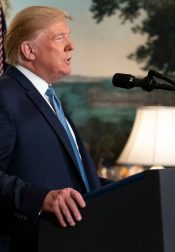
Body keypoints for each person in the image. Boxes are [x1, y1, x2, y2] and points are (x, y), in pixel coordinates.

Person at [0, 6, 105, 251]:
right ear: (29, 50)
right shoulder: (5, 96)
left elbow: (74, 179)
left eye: (68, 37)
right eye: (60, 38)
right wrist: (41, 199)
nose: (71, 46)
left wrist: (139, 186)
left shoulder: (49, 98)